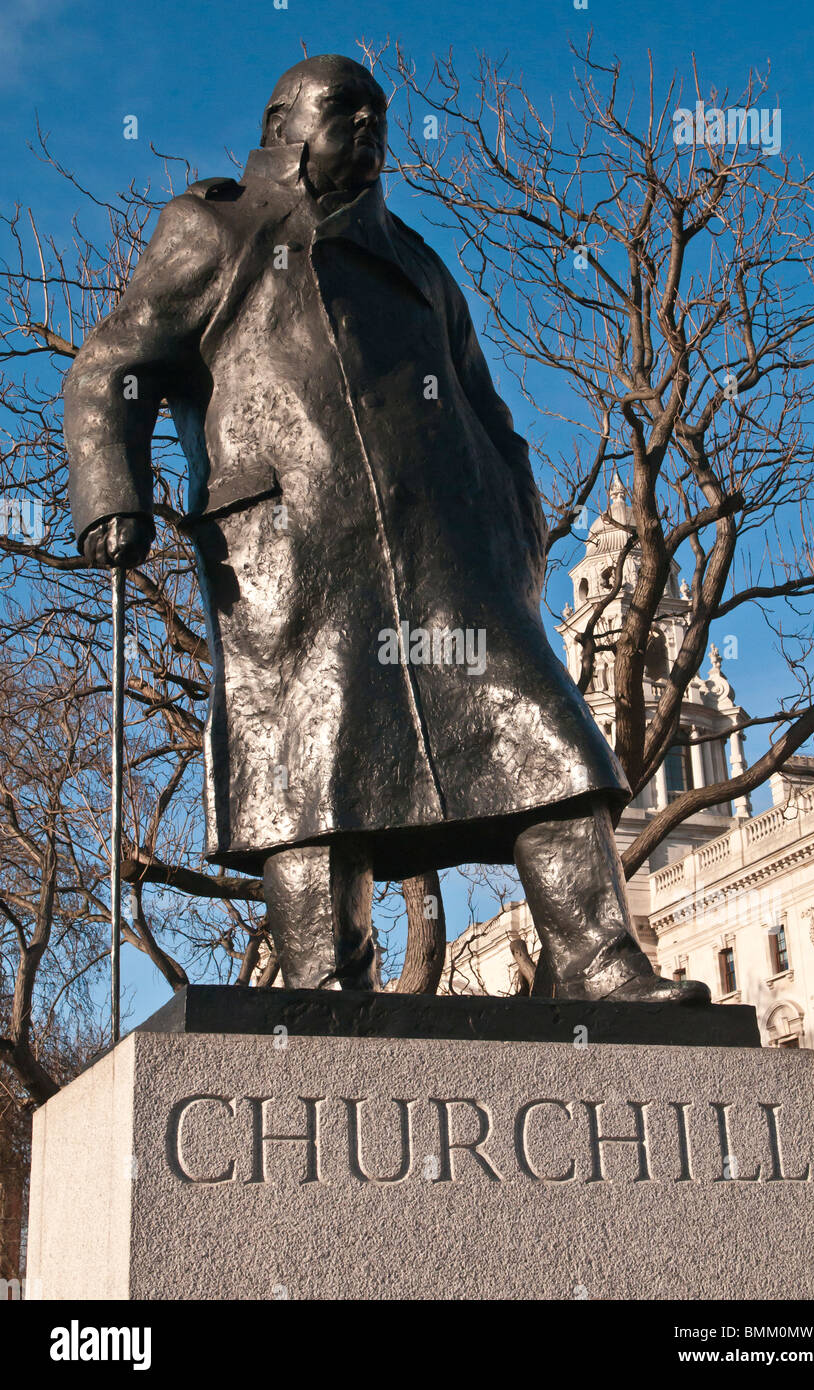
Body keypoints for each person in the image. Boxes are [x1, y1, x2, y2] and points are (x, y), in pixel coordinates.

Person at [64, 54, 709, 1005]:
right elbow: (110, 365)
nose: (365, 126)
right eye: (342, 111)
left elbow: (488, 407)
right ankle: (328, 986)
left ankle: (599, 963)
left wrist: (515, 519)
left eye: (377, 113)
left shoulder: (417, 259)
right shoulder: (215, 228)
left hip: (452, 558)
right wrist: (112, 491)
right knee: (306, 768)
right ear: (284, 122)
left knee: (545, 738)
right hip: (291, 551)